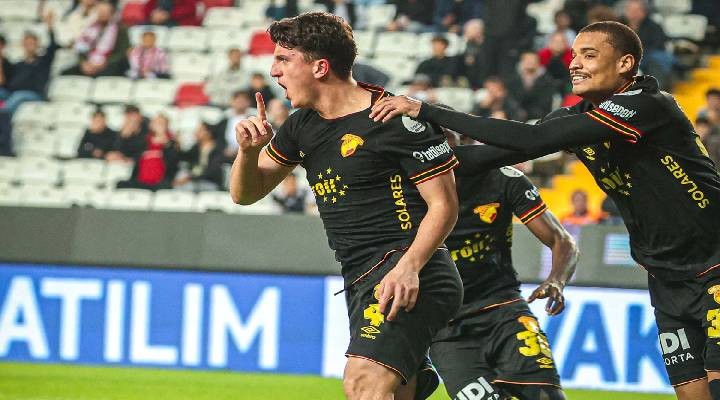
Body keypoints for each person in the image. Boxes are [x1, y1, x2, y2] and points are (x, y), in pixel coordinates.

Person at [369, 21, 720, 400]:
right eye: (574, 55)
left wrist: (427, 110)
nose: (575, 64)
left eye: (589, 55)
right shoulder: (578, 118)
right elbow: (490, 154)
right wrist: (405, 164)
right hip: (666, 279)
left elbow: (531, 138)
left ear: (625, 63)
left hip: (714, 263)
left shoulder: (648, 105)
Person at [231, 12, 462, 400]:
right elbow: (245, 194)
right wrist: (248, 153)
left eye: (284, 59)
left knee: (362, 383)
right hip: (361, 278)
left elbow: (445, 206)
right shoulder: (301, 125)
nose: (274, 71)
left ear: (320, 67)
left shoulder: (394, 117)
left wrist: (409, 267)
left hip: (409, 269)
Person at [429, 130, 577, 400]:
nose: (437, 151)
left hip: (505, 312)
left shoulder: (504, 179)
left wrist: (556, 279)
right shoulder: (407, 192)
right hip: (447, 330)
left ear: (467, 142)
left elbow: (561, 240)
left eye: (445, 141)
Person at [1, 13, 58, 115]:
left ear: (37, 44)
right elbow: (5, 81)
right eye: (27, 43)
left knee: (19, 96)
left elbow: (53, 46)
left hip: (34, 94)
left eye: (32, 43)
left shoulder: (43, 61)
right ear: (23, 45)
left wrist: (50, 27)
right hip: (12, 93)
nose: (30, 45)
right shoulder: (17, 65)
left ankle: (2, 114)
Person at [62, 0, 130, 77]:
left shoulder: (120, 29)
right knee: (66, 73)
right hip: (89, 63)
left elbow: (121, 52)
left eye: (105, 12)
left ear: (112, 14)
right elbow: (81, 47)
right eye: (100, 12)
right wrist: (83, 62)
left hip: (109, 64)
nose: (102, 15)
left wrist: (104, 63)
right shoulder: (91, 27)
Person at [117, 113, 179, 190]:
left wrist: (166, 143)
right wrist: (124, 137)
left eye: (161, 123)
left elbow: (173, 162)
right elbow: (126, 152)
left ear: (166, 126)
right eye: (156, 123)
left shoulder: (172, 143)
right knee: (120, 184)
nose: (158, 126)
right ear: (151, 125)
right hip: (141, 182)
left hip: (160, 183)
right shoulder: (143, 141)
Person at [174, 121, 224, 191]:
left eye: (200, 130)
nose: (196, 133)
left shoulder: (217, 149)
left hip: (210, 182)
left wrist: (190, 178)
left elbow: (212, 171)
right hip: (195, 179)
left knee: (188, 186)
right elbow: (185, 157)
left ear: (208, 133)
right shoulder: (197, 147)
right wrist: (177, 146)